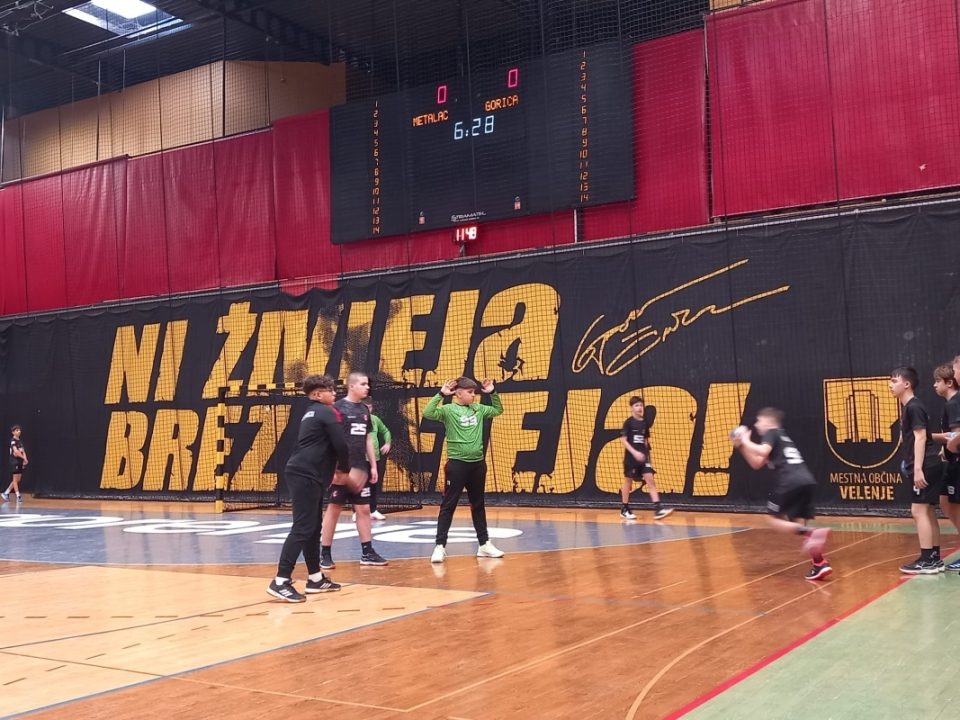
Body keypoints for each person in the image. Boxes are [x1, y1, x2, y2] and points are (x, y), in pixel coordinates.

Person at [267, 375, 347, 603]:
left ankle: (315, 578)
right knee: (303, 527)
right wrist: (344, 469)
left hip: (308, 475)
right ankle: (280, 580)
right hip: (305, 475)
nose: (334, 393)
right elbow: (341, 444)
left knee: (312, 527)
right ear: (317, 394)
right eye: (329, 390)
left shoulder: (312, 411)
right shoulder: (325, 412)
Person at [731, 408, 831, 580]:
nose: (756, 425)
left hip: (788, 481)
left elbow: (762, 451)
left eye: (759, 421)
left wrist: (745, 440)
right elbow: (757, 463)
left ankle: (811, 532)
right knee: (799, 525)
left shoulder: (772, 433)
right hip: (805, 481)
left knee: (773, 520)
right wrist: (741, 446)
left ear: (769, 422)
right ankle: (819, 563)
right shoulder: (783, 438)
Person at [426, 377, 506, 563]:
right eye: (470, 392)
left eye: (474, 392)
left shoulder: (478, 409)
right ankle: (439, 546)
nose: (473, 395)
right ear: (458, 393)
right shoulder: (448, 410)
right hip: (457, 465)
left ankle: (484, 545)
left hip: (477, 465)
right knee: (448, 505)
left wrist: (493, 393)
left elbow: (498, 410)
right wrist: (440, 394)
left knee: (478, 505)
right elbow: (428, 412)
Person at [320, 372, 388, 568]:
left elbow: (367, 439)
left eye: (367, 384)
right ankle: (325, 553)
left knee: (363, 509)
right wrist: (334, 469)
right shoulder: (338, 408)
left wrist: (373, 466)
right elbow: (329, 440)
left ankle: (367, 552)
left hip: (360, 469)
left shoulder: (364, 409)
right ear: (351, 386)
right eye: (363, 384)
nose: (367, 387)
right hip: (341, 470)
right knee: (334, 508)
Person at [890, 366, 945, 574]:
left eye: (894, 381)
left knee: (918, 511)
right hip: (927, 463)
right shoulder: (911, 407)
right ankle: (934, 558)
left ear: (907, 384)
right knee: (928, 510)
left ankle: (927, 560)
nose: (890, 385)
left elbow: (921, 437)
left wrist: (918, 468)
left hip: (925, 464)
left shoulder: (913, 407)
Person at [619, 396, 673, 520]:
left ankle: (658, 509)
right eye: (636, 405)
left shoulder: (644, 423)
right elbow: (623, 440)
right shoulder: (628, 423)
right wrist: (634, 453)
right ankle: (624, 508)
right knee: (628, 482)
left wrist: (645, 453)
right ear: (632, 408)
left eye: (641, 405)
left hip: (643, 459)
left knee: (650, 480)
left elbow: (645, 440)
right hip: (631, 459)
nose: (639, 408)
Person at [932, 363, 960, 568]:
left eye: (937, 381)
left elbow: (956, 436)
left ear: (949, 383)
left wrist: (927, 436)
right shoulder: (949, 404)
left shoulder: (954, 403)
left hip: (957, 463)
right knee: (944, 500)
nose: (934, 385)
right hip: (951, 462)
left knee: (954, 506)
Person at [364, 397, 392, 521]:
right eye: (365, 407)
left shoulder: (375, 419)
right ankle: (356, 511)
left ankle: (373, 510)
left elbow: (386, 431)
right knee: (360, 486)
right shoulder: (355, 420)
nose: (368, 410)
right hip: (360, 459)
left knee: (374, 485)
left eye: (369, 407)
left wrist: (388, 443)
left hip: (374, 458)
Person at [3, 425, 28, 502]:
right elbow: (16, 452)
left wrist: (25, 459)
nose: (19, 431)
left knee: (18, 479)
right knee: (15, 479)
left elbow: (23, 451)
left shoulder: (20, 441)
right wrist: (23, 458)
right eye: (17, 430)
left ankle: (6, 493)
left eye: (19, 430)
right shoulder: (13, 441)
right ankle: (18, 496)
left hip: (20, 461)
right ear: (13, 432)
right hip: (14, 462)